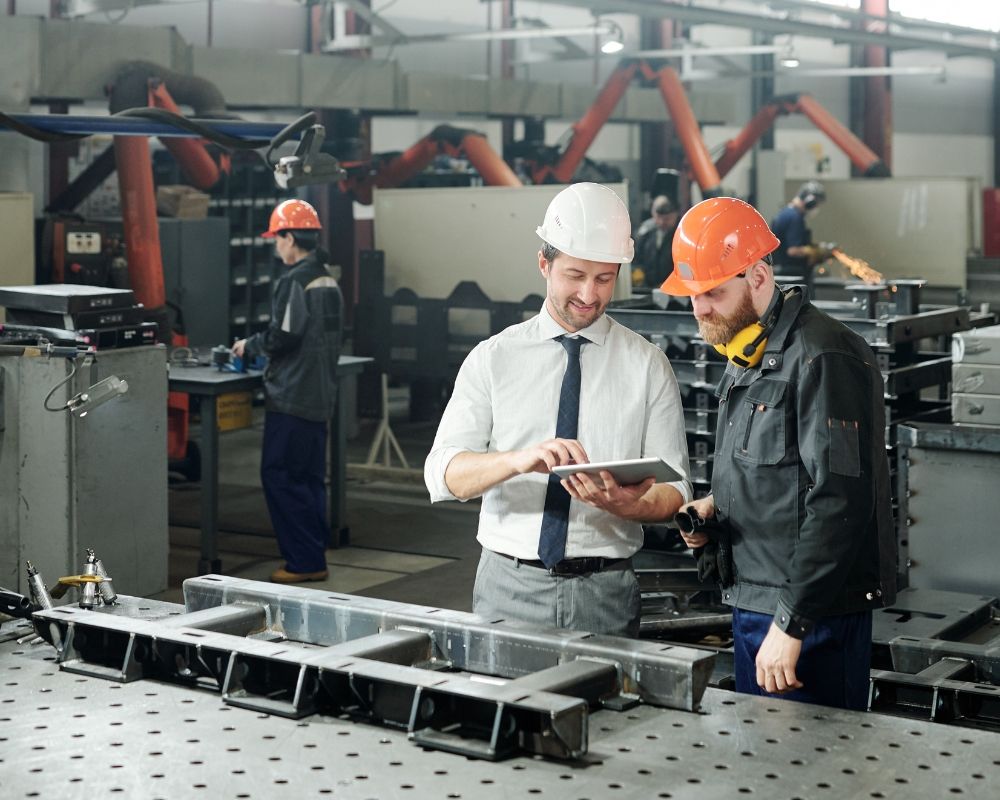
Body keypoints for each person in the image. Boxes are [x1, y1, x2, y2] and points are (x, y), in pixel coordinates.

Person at [424, 182, 692, 638]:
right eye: (575, 275)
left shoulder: (647, 365)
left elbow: (677, 491)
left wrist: (628, 505)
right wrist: (516, 460)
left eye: (604, 278)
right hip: (508, 586)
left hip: (605, 591)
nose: (589, 294)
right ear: (544, 264)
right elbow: (444, 475)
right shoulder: (495, 357)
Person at [661, 196, 896, 710]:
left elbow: (841, 500)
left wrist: (793, 623)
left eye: (712, 293)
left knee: (818, 775)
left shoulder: (822, 356)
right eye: (693, 296)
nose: (700, 310)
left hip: (811, 616)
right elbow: (773, 472)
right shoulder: (749, 350)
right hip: (755, 599)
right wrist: (714, 507)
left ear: (759, 276)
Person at [232, 198, 343, 584]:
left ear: (291, 238)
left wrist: (251, 346)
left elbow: (285, 335)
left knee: (280, 476)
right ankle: (313, 552)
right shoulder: (326, 278)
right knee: (310, 479)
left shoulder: (295, 280)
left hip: (293, 397)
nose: (275, 246)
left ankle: (303, 562)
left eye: (277, 238)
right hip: (319, 395)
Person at [769, 180, 832, 291]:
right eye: (816, 204)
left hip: (781, 273)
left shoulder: (784, 213)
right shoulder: (795, 218)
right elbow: (793, 250)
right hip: (793, 276)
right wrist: (816, 251)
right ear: (810, 201)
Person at [632, 195, 680, 289]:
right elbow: (636, 258)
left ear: (675, 214)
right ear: (653, 213)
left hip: (674, 290)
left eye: (667, 219)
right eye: (658, 217)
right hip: (648, 289)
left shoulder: (682, 234)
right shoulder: (644, 232)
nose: (662, 222)